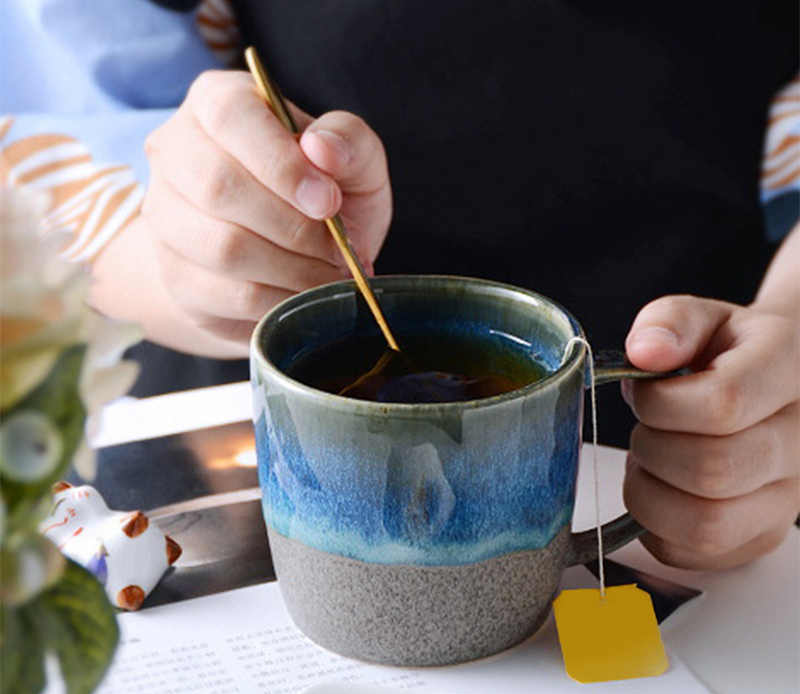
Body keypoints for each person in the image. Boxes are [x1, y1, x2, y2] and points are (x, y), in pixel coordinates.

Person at [2, 0, 798, 570]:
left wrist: (780, 354)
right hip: (240, 434)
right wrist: (184, 251)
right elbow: (58, 106)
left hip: (692, 438)